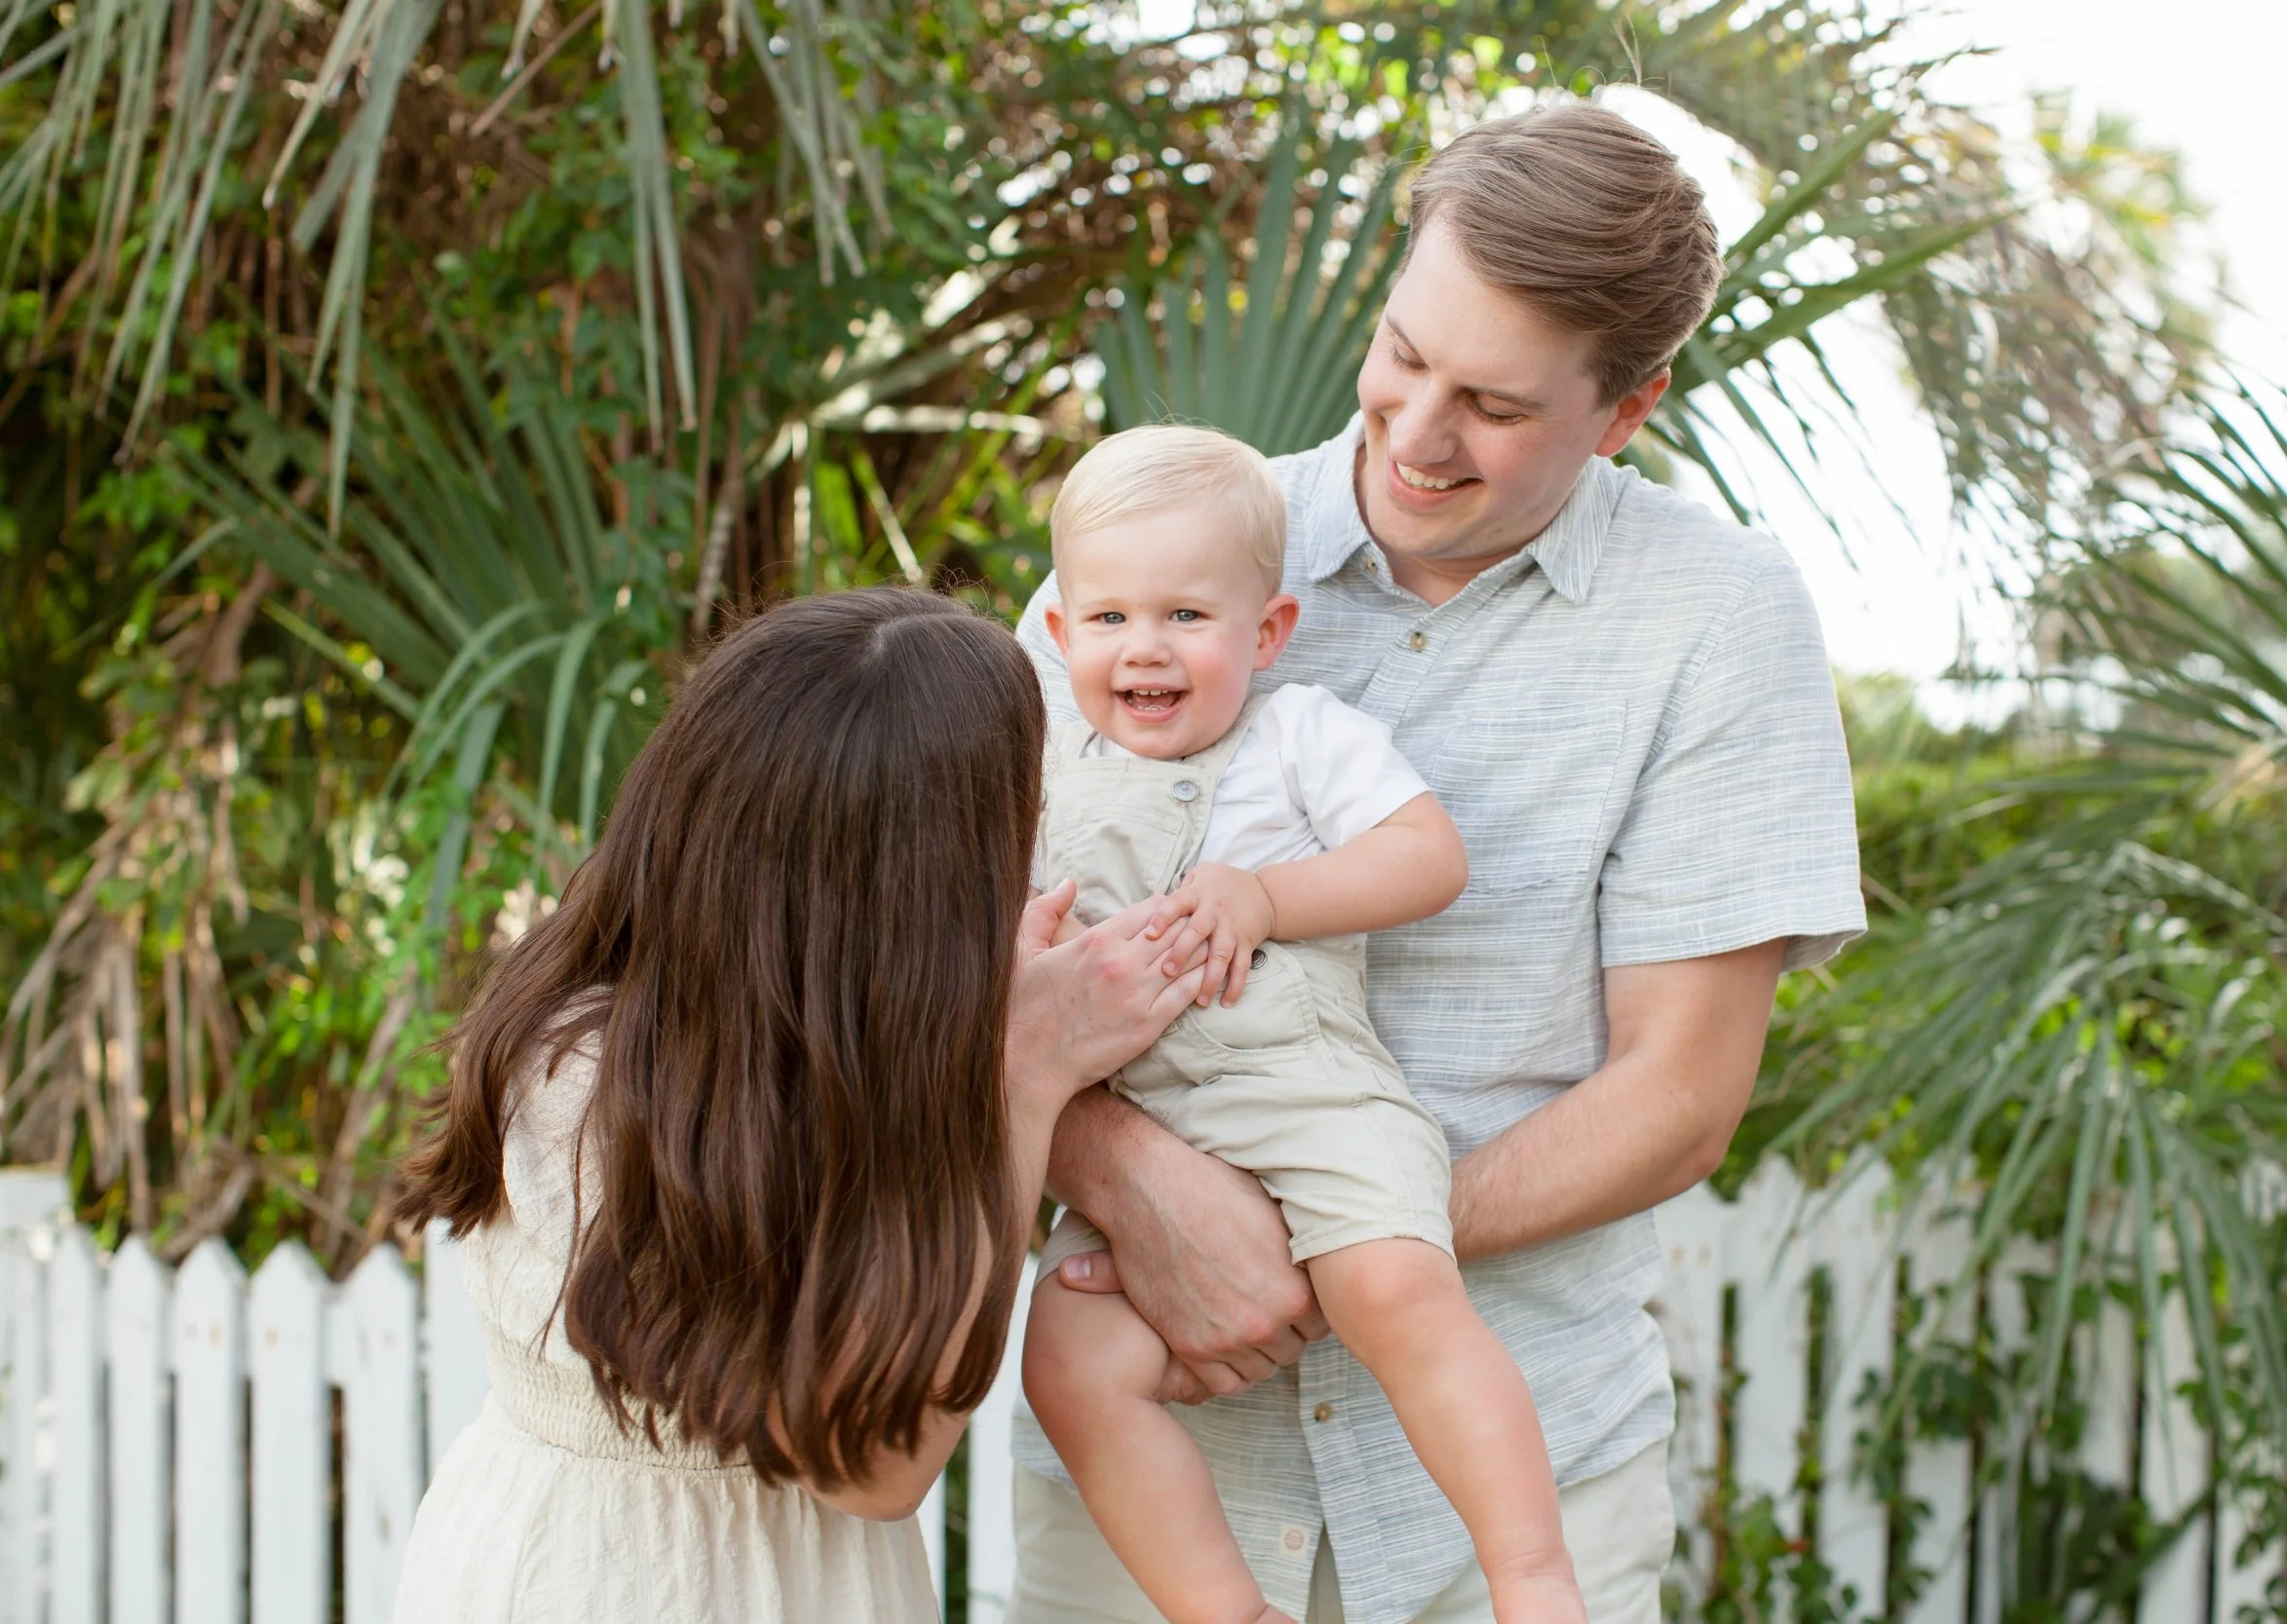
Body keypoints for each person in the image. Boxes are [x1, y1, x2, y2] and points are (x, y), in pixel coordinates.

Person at [1009, 100, 1868, 1623]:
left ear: (1626, 409)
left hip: (1515, 1501)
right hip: (1157, 1488)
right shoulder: (1144, 568)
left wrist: (1333, 1241)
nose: (1413, 435)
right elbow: (964, 981)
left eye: (1493, 401)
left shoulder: (1718, 618)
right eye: (1405, 353)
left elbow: (1677, 1096)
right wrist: (1133, 1183)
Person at [388, 589, 1209, 1623]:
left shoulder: (794, 1041)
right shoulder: (586, 1081)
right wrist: (1023, 1077)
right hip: (631, 1578)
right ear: (901, 886)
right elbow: (876, 1459)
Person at [1020, 425, 1584, 1624]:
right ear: (1061, 633)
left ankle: (1531, 1577)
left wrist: (1267, 892)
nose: (1146, 650)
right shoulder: (1037, 769)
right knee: (1068, 1360)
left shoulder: (1295, 734)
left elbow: (1428, 856)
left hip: (1308, 1098)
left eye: (1186, 615)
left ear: (1265, 633)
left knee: (1398, 1293)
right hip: (1146, 1132)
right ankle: (1227, 1608)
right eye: (1110, 619)